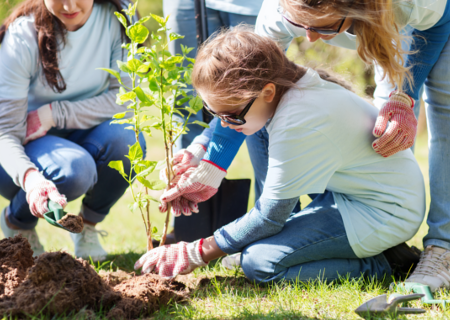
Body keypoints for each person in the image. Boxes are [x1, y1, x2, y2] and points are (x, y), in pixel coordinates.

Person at [159, 0, 450, 291]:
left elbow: (270, 215)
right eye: (301, 25)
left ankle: (390, 262)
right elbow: (239, 88)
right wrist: (208, 159)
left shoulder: (295, 122)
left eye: (323, 26)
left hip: (383, 210)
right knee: (256, 247)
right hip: (357, 197)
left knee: (259, 263)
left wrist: (197, 251)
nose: (308, 37)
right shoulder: (280, 27)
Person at [0, 0, 145, 260]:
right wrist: (32, 179)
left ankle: (85, 228)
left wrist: (55, 114)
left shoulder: (119, 19)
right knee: (75, 171)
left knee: (129, 140)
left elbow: (125, 99)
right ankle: (17, 222)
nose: (68, 5)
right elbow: (5, 133)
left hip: (82, 130)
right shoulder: (22, 35)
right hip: (25, 145)